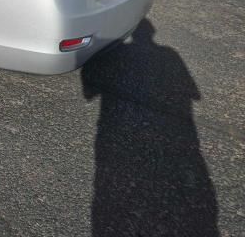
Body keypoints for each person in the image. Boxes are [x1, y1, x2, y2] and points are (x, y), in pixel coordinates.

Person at [81, 20, 218, 237]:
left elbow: (89, 94)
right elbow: (194, 95)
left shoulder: (165, 54)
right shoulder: (169, 54)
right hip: (184, 139)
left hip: (113, 131)